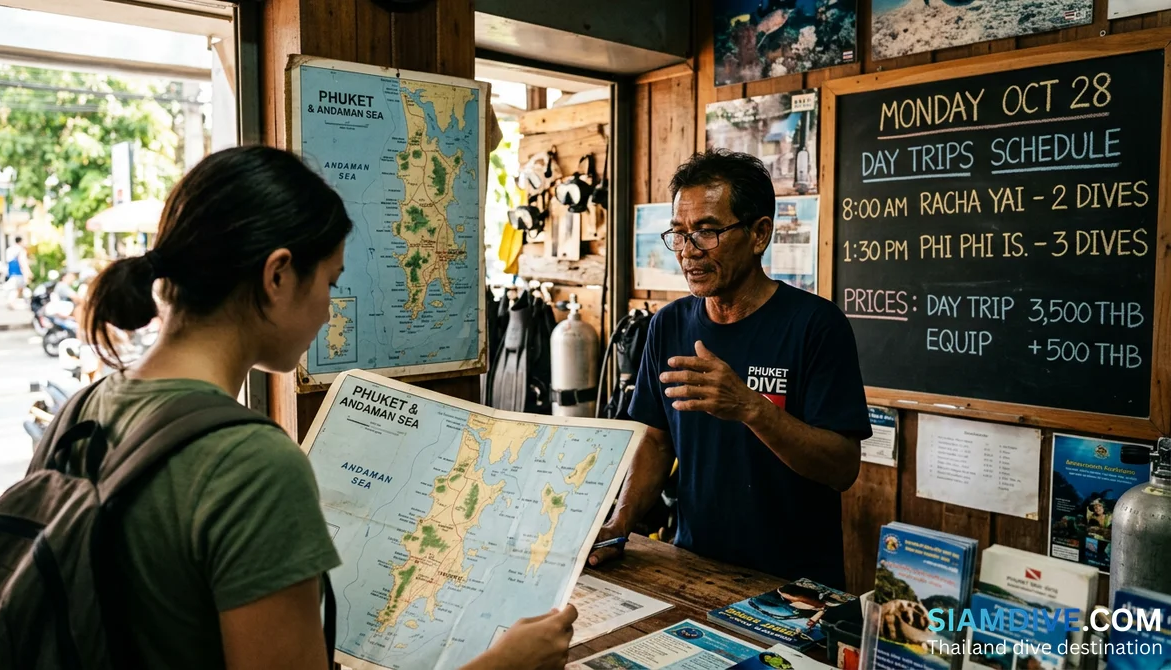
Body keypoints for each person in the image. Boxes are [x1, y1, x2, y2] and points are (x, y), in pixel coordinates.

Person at [79, 145, 576, 670]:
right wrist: (503, 665)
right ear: (277, 276)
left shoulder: (87, 411)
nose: (329, 309)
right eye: (331, 283)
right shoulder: (248, 463)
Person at [589, 149, 871, 589]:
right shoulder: (668, 325)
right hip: (692, 565)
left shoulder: (816, 325)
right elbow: (657, 443)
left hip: (792, 584)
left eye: (706, 233)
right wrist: (619, 523)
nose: (688, 252)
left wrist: (750, 407)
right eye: (679, 235)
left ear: (759, 234)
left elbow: (841, 467)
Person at [5, 235, 31, 303]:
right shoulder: (21, 250)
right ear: (21, 241)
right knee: (19, 288)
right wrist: (27, 272)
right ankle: (12, 301)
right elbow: (22, 262)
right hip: (19, 272)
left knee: (18, 288)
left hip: (11, 272)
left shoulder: (9, 249)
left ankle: (15, 301)